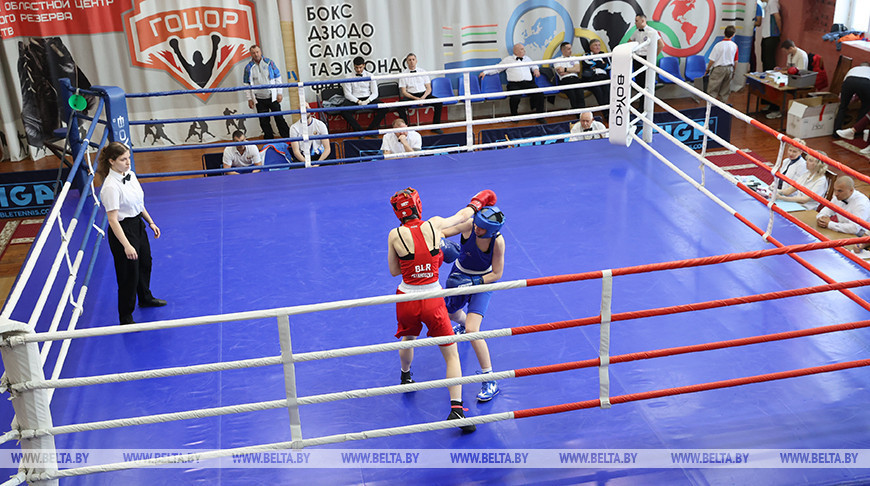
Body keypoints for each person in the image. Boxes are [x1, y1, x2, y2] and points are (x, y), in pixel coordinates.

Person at [388, 187, 497, 432]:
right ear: (418, 206)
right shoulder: (434, 224)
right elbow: (461, 217)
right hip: (433, 297)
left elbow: (394, 271)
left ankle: (406, 376)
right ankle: (457, 409)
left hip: (407, 296)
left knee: (408, 339)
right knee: (451, 353)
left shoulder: (394, 234)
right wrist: (476, 203)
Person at [97, 142, 166, 325]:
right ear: (111, 161)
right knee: (128, 274)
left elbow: (138, 204)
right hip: (122, 230)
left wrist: (150, 222)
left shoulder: (131, 175)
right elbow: (112, 219)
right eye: (123, 159)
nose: (128, 163)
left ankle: (145, 297)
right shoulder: (110, 187)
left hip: (137, 224)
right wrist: (126, 245)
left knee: (145, 262)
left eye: (128, 158)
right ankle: (125, 315)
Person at [442, 205, 505, 402]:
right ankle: (460, 325)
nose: (477, 228)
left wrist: (474, 283)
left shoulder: (498, 242)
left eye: (482, 228)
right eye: (477, 224)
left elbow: (497, 273)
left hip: (482, 282)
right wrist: (441, 244)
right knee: (450, 313)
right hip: (458, 274)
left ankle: (490, 379)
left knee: (473, 330)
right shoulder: (470, 225)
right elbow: (442, 232)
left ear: (493, 231)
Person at [480, 43, 546, 123]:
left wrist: (536, 70)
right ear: (515, 51)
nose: (524, 50)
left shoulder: (527, 58)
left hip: (529, 83)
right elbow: (497, 68)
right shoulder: (508, 60)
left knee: (540, 95)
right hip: (514, 84)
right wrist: (485, 72)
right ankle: (514, 115)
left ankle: (540, 116)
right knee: (515, 97)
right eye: (522, 49)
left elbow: (534, 66)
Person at [243, 44, 290, 140]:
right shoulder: (248, 67)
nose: (256, 54)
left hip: (272, 97)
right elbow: (246, 84)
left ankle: (288, 138)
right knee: (263, 121)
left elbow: (278, 77)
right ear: (250, 54)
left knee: (279, 118)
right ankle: (269, 140)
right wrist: (249, 99)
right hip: (259, 99)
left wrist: (279, 93)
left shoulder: (269, 63)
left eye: (257, 52)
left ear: (260, 52)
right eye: (253, 53)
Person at [340, 56, 388, 133]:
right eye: (356, 67)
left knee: (384, 108)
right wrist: (358, 101)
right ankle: (359, 131)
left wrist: (368, 100)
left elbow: (375, 93)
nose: (358, 70)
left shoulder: (370, 75)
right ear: (353, 66)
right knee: (343, 111)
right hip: (354, 99)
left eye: (360, 67)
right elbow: (347, 94)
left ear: (364, 65)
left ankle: (371, 130)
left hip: (368, 98)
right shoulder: (348, 76)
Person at [398, 53, 444, 134]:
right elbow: (404, 92)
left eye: (413, 59)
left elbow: (429, 88)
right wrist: (416, 99)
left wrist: (423, 98)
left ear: (416, 61)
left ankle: (435, 127)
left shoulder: (423, 71)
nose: (411, 62)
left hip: (424, 94)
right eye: (409, 60)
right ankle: (406, 128)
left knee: (439, 102)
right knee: (399, 106)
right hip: (411, 96)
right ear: (407, 62)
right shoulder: (403, 74)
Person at [627, 14, 664, 96]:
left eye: (636, 21)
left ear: (642, 21)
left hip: (646, 59)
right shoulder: (636, 32)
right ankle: (641, 103)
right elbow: (628, 43)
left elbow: (661, 45)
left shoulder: (652, 31)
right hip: (637, 59)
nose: (635, 23)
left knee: (646, 82)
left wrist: (653, 57)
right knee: (639, 81)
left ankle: (644, 104)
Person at [834, 63, 870, 144]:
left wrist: (844, 100)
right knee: (865, 107)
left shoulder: (853, 69)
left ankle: (836, 132)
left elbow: (844, 87)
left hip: (849, 81)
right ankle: (858, 132)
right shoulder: (868, 71)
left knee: (842, 106)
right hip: (867, 83)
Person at [705, 25, 738, 102]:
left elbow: (712, 60)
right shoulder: (735, 46)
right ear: (733, 35)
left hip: (718, 69)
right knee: (725, 91)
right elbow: (736, 61)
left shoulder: (718, 45)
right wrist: (734, 71)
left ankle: (710, 108)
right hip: (729, 68)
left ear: (724, 33)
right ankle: (722, 109)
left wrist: (707, 69)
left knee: (712, 90)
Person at [552, 42, 585, 113]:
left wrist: (565, 69)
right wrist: (572, 69)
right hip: (565, 80)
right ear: (563, 50)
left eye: (571, 49)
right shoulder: (557, 60)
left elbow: (578, 69)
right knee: (573, 96)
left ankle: (583, 115)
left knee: (580, 95)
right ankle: (577, 116)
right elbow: (561, 72)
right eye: (568, 49)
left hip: (575, 79)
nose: (571, 51)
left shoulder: (574, 58)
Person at [581, 39, 611, 108]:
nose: (598, 47)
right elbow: (587, 63)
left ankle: (608, 112)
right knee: (599, 92)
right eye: (595, 45)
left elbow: (609, 66)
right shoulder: (586, 55)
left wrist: (596, 64)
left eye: (599, 45)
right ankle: (606, 113)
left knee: (607, 91)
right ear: (590, 47)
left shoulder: (604, 54)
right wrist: (602, 64)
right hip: (592, 78)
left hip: (603, 77)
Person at [759, 0, 781, 72]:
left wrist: (780, 31)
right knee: (764, 59)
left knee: (769, 61)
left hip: (771, 35)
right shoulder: (767, 4)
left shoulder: (772, 2)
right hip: (765, 35)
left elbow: (777, 18)